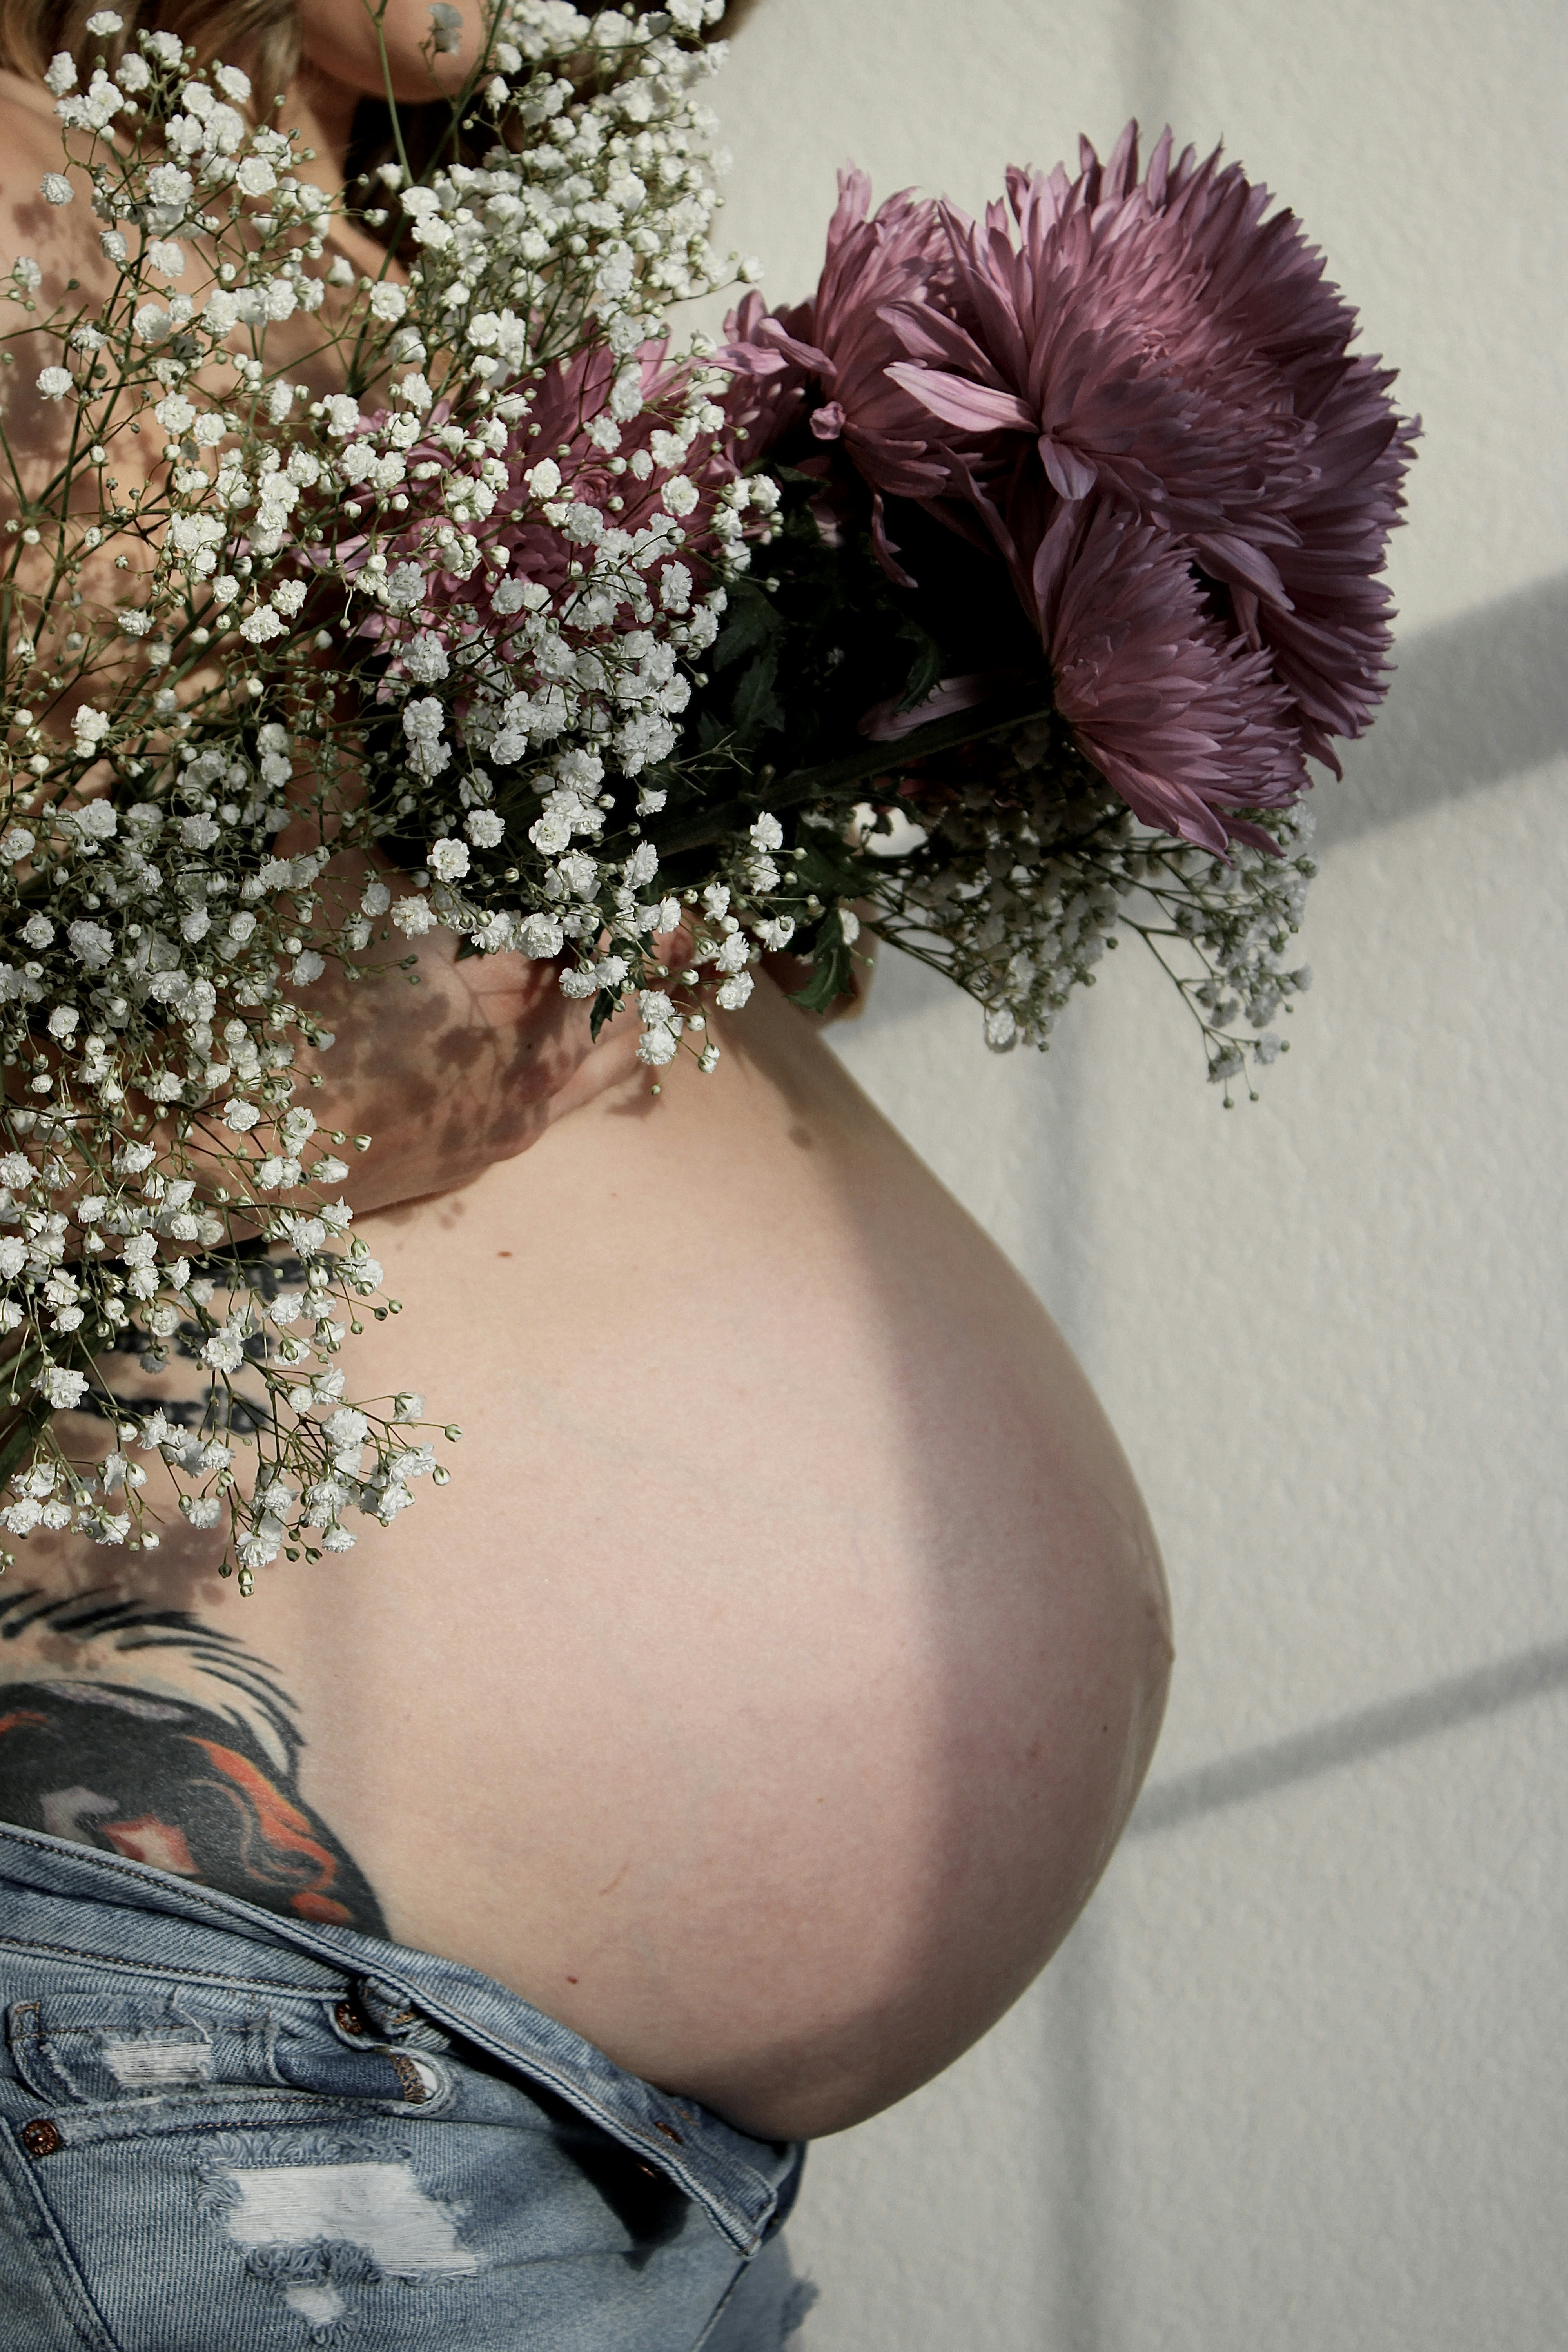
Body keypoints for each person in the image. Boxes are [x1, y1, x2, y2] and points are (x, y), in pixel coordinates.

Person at [0, 4, 1174, 2343]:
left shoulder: (376, 247)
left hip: (411, 2106)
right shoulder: (33, 209)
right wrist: (244, 1065)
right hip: (207, 2080)